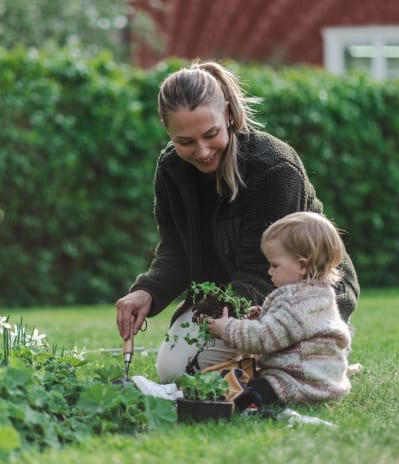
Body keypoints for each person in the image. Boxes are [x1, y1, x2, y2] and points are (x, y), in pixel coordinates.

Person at [115, 60, 359, 383]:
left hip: (297, 293)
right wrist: (147, 292)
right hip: (221, 295)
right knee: (173, 370)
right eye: (185, 141)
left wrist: (225, 321)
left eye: (211, 134)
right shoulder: (172, 171)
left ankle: (319, 347)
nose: (202, 152)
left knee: (232, 370)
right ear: (168, 132)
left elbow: (261, 271)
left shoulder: (273, 168)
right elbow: (175, 251)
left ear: (228, 114)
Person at [208, 211, 352, 405]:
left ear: (302, 266)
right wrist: (264, 315)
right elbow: (289, 328)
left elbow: (265, 338)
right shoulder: (319, 294)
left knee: (257, 387)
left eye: (274, 265)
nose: (269, 271)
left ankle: (247, 400)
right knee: (251, 378)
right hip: (322, 379)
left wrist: (227, 328)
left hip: (299, 380)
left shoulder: (295, 299)